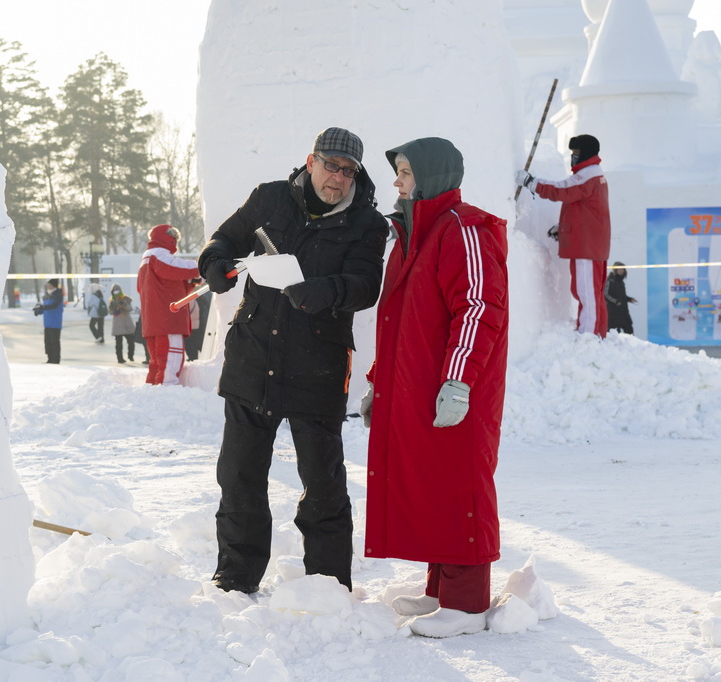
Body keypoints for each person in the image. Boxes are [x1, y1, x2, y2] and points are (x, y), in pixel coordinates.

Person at [198, 127, 388, 594]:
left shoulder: (367, 223)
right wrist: (216, 267)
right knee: (240, 477)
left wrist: (325, 291)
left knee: (323, 487)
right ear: (310, 161)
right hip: (253, 359)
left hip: (317, 367)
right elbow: (221, 241)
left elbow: (367, 285)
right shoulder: (269, 199)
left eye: (348, 171)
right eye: (330, 165)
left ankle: (326, 583)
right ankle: (235, 577)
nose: (338, 178)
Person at [361, 137, 508, 638]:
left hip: (452, 387)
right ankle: (441, 592)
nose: (397, 181)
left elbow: (478, 308)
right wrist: (379, 384)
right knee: (432, 483)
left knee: (459, 483)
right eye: (398, 171)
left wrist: (458, 382)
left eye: (405, 171)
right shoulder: (413, 233)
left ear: (433, 175)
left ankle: (466, 606)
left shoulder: (463, 229)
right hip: (418, 388)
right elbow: (400, 321)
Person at [516, 134, 611, 338]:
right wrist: (564, 228)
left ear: (585, 154)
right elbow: (585, 210)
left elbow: (562, 191)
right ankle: (595, 332)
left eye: (576, 154)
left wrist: (532, 183)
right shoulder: (593, 175)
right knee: (588, 291)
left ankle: (589, 336)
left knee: (587, 293)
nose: (573, 158)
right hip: (590, 242)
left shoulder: (588, 175)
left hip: (588, 246)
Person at [136, 224, 199, 385]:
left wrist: (190, 282)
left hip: (155, 320)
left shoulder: (147, 259)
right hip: (168, 319)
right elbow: (174, 268)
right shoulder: (158, 254)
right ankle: (166, 390)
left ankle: (153, 390)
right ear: (169, 237)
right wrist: (201, 266)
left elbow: (167, 286)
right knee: (171, 358)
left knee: (157, 362)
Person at [32, 279, 64, 364]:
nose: (48, 286)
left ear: (54, 285)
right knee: (48, 343)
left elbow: (54, 306)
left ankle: (55, 360)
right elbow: (46, 307)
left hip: (55, 323)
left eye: (49, 285)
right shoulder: (47, 295)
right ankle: (50, 359)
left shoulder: (58, 295)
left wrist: (42, 307)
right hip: (47, 323)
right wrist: (39, 311)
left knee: (54, 343)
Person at [605, 262, 637, 334]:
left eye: (622, 269)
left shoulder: (621, 282)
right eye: (619, 269)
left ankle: (631, 345)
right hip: (613, 312)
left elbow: (621, 296)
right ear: (615, 270)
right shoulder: (610, 281)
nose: (621, 271)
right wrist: (615, 301)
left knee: (629, 330)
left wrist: (629, 299)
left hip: (623, 311)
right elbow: (606, 294)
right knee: (613, 332)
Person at [108, 283, 137, 363]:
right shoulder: (112, 300)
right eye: (114, 290)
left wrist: (124, 305)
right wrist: (113, 308)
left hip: (127, 323)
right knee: (118, 343)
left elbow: (130, 308)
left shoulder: (125, 298)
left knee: (131, 341)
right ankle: (120, 358)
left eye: (117, 289)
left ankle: (130, 356)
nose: (116, 291)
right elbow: (110, 312)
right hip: (117, 324)